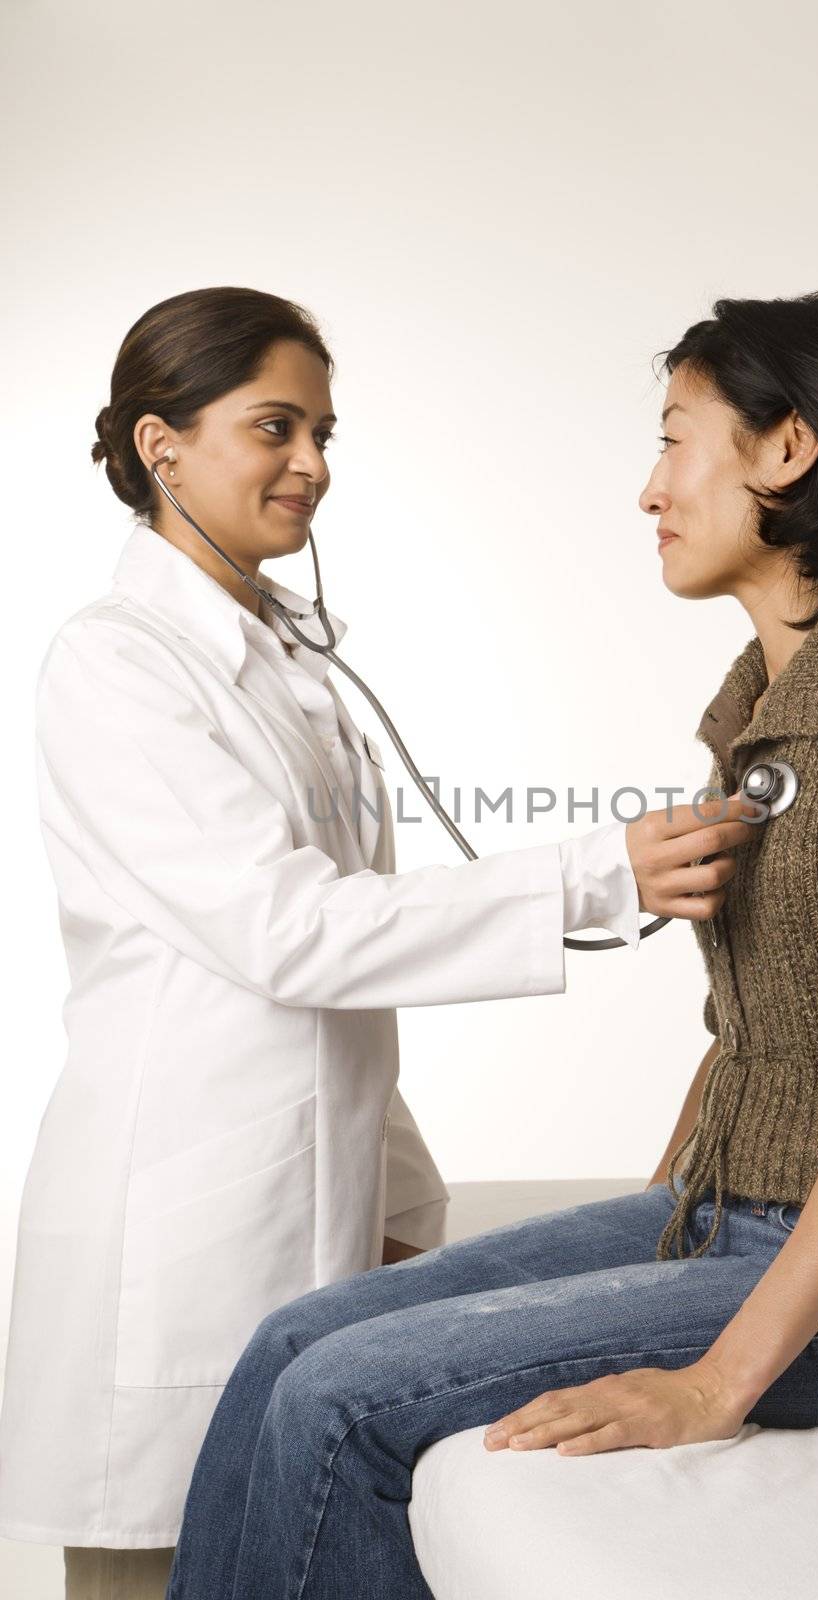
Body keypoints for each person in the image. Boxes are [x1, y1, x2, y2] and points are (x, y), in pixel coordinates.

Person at [163, 289, 818, 1600]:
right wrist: (651, 1230)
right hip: (728, 1216)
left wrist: (713, 1384)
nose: (649, 488)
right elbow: (753, 1036)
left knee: (342, 1401)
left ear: (787, 449)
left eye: (677, 439)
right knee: (295, 1338)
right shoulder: (758, 706)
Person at [0, 286, 736, 1599]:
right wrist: (593, 872)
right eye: (275, 428)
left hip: (306, 1210)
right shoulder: (117, 666)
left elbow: (337, 999)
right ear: (161, 445)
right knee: (158, 1565)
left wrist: (400, 1203)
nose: (314, 467)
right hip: (174, 1242)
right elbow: (295, 937)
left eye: (325, 432)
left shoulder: (282, 657)